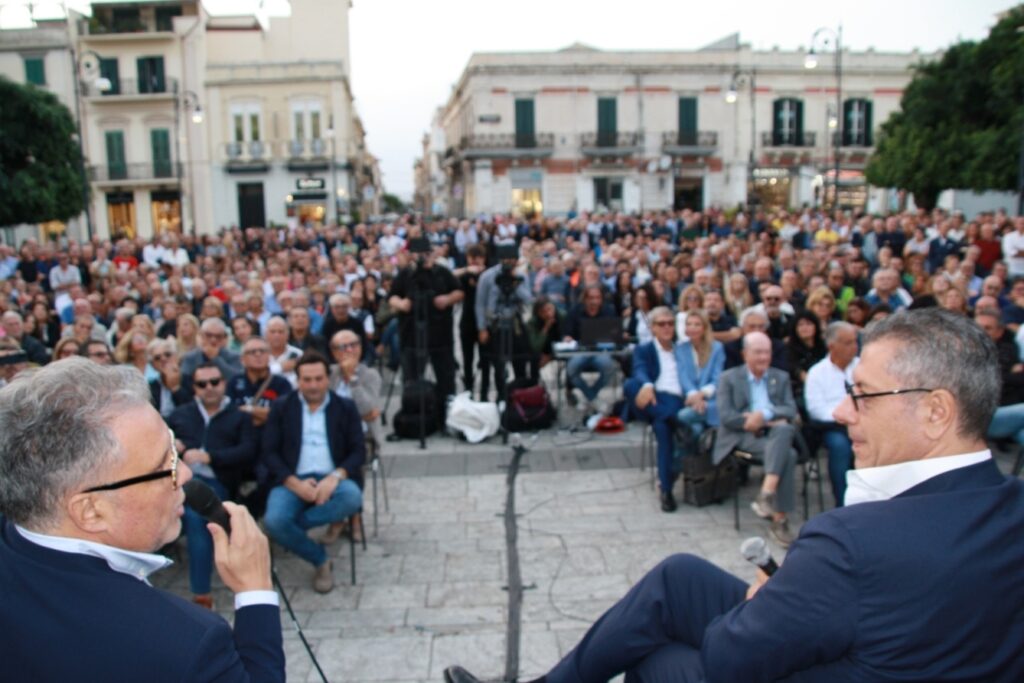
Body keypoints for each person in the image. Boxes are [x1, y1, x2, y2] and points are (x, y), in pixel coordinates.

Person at [445, 308, 1024, 683]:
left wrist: (763, 601)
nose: (844, 411)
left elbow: (728, 659)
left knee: (655, 660)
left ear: (936, 411)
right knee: (677, 578)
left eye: (864, 395)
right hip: (882, 640)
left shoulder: (849, 542)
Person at [0, 359, 284, 681]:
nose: (186, 475)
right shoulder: (186, 644)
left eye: (175, 451)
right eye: (166, 465)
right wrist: (256, 591)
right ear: (91, 511)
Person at [261, 352, 365, 594]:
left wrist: (335, 477)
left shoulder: (345, 407)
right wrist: (293, 483)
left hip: (333, 478)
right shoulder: (282, 407)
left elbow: (358, 451)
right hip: (291, 478)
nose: (313, 385)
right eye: (307, 380)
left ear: (328, 379)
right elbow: (268, 452)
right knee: (274, 520)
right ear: (297, 380)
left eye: (319, 379)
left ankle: (293, 529)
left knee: (352, 497)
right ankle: (320, 560)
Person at [167, 362, 258, 609]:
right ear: (194, 388)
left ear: (224, 383)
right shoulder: (181, 414)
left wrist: (211, 457)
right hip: (176, 481)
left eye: (215, 382)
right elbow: (159, 440)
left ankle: (201, 595)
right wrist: (174, 446)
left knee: (197, 519)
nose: (209, 388)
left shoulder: (239, 417)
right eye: (202, 384)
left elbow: (249, 451)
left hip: (217, 482)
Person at [715, 331, 799, 547]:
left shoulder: (780, 377)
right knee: (787, 451)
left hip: (772, 435)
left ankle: (767, 495)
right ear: (745, 354)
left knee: (784, 438)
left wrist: (765, 416)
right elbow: (726, 416)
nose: (764, 357)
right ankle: (779, 520)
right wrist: (750, 422)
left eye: (767, 352)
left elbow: (791, 408)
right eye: (758, 352)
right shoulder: (729, 378)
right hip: (743, 436)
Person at [388, 248, 463, 408]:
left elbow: (459, 291)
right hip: (412, 334)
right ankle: (413, 409)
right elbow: (392, 296)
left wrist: (448, 299)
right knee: (412, 377)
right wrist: (401, 304)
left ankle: (447, 410)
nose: (423, 257)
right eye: (419, 253)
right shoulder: (406, 273)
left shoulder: (442, 272)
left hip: (440, 334)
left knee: (445, 376)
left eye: (427, 253)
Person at [804, 321, 859, 506]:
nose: (855, 347)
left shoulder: (862, 368)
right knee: (840, 446)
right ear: (832, 346)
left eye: (855, 341)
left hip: (862, 422)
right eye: (849, 343)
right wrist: (844, 417)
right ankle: (843, 502)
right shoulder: (817, 372)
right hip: (833, 426)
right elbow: (815, 409)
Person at [564, 285, 620, 415]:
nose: (594, 301)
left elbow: (614, 331)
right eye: (591, 297)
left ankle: (590, 396)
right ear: (585, 299)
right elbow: (567, 332)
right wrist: (567, 337)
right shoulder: (575, 311)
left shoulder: (608, 311)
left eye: (597, 297)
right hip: (581, 351)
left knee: (609, 367)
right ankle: (593, 398)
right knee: (572, 369)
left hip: (601, 351)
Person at [180, 317, 242, 381]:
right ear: (201, 335)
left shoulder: (234, 357)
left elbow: (237, 380)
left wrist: (216, 359)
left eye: (218, 336)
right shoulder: (190, 357)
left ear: (224, 338)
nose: (213, 340)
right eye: (209, 335)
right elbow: (184, 381)